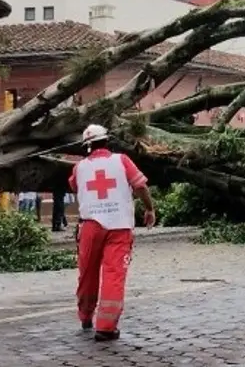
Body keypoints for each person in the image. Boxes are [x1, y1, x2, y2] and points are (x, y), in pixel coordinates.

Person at [69, 123, 156, 341]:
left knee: (87, 273)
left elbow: (74, 186)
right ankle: (106, 327)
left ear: (86, 146)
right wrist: (149, 208)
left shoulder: (78, 168)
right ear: (107, 141)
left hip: (90, 226)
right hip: (119, 226)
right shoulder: (122, 160)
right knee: (114, 274)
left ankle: (86, 317)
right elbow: (141, 186)